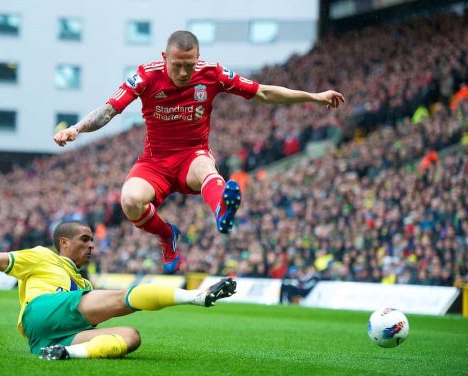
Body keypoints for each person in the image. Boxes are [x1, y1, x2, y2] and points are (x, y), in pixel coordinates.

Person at [53, 30, 345, 274]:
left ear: (198, 58)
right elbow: (109, 110)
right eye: (177, 64)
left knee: (206, 168)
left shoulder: (213, 73)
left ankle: (222, 211)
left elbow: (264, 92)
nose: (183, 72)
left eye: (189, 65)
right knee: (129, 201)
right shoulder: (145, 77)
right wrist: (76, 129)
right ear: (165, 57)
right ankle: (168, 237)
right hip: (154, 162)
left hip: (192, 155)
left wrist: (314, 97)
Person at [0, 216, 236, 360]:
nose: (92, 245)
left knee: (130, 336)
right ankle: (199, 296)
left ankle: (64, 355)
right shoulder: (41, 257)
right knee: (127, 297)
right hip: (42, 310)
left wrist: (64, 342)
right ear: (64, 242)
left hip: (46, 339)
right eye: (84, 239)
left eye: (93, 240)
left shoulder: (84, 284)